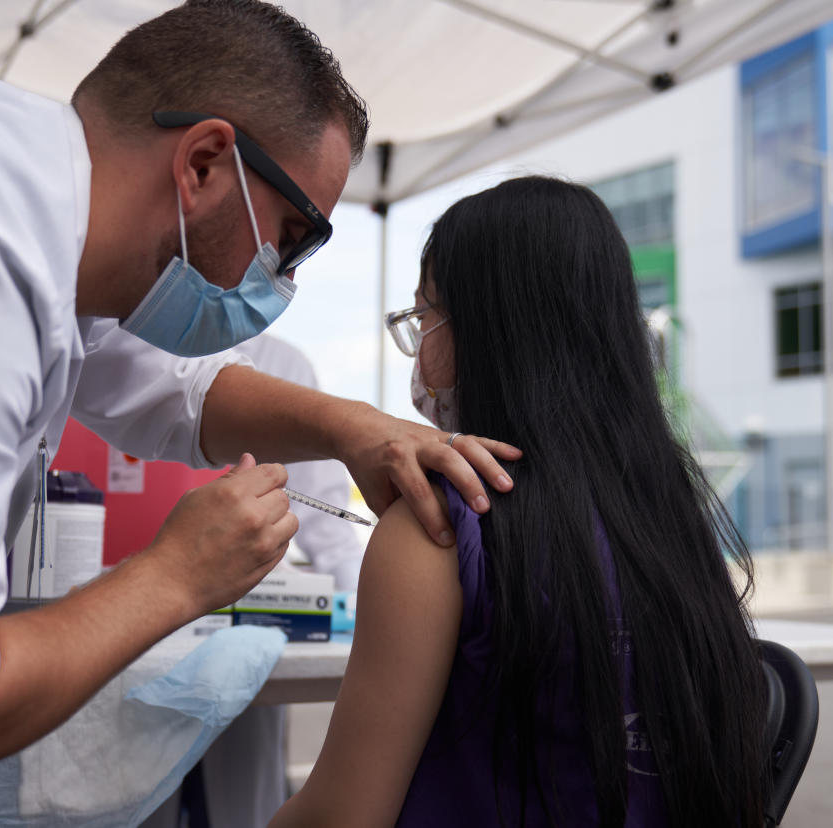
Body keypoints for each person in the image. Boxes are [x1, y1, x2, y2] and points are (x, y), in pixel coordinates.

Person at [0, 0, 521, 804]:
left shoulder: (23, 187)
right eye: (294, 237)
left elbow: (172, 392)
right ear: (203, 163)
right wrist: (176, 576)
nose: (282, 280)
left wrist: (361, 429)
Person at [268, 177, 770, 828]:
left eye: (424, 317)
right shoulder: (673, 516)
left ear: (488, 330)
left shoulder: (438, 529)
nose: (418, 347)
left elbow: (338, 818)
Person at [142, 332, 365, 828]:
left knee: (241, 801)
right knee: (135, 795)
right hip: (136, 618)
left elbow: (331, 534)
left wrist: (369, 614)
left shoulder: (284, 365)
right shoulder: (119, 343)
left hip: (247, 627)